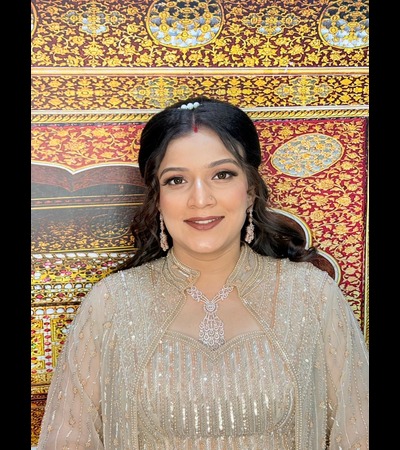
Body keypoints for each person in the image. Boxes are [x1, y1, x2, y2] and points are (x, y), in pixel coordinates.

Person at [37, 96, 369, 449]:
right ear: (157, 197)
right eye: (177, 180)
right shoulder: (112, 305)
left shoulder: (310, 297)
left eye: (222, 175)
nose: (200, 199)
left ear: (250, 190)